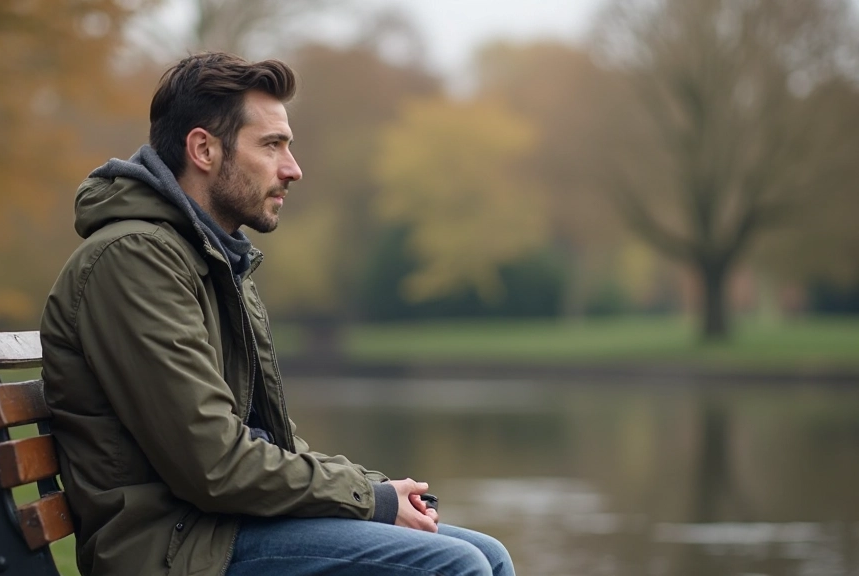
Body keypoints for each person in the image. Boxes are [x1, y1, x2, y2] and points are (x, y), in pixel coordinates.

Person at [40, 51, 515, 576]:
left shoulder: (210, 258)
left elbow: (270, 444)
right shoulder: (133, 261)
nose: (293, 168)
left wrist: (376, 488)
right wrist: (370, 500)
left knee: (489, 554)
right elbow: (215, 465)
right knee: (456, 567)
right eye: (271, 146)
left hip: (221, 527)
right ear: (203, 149)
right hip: (173, 551)